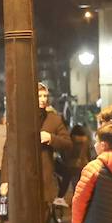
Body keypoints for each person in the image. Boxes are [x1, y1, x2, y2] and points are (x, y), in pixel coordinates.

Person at [37, 84, 71, 213]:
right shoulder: (23, 119)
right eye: (39, 96)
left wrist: (50, 138)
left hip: (46, 174)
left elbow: (67, 143)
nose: (43, 99)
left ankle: (59, 199)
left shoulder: (54, 120)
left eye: (45, 96)